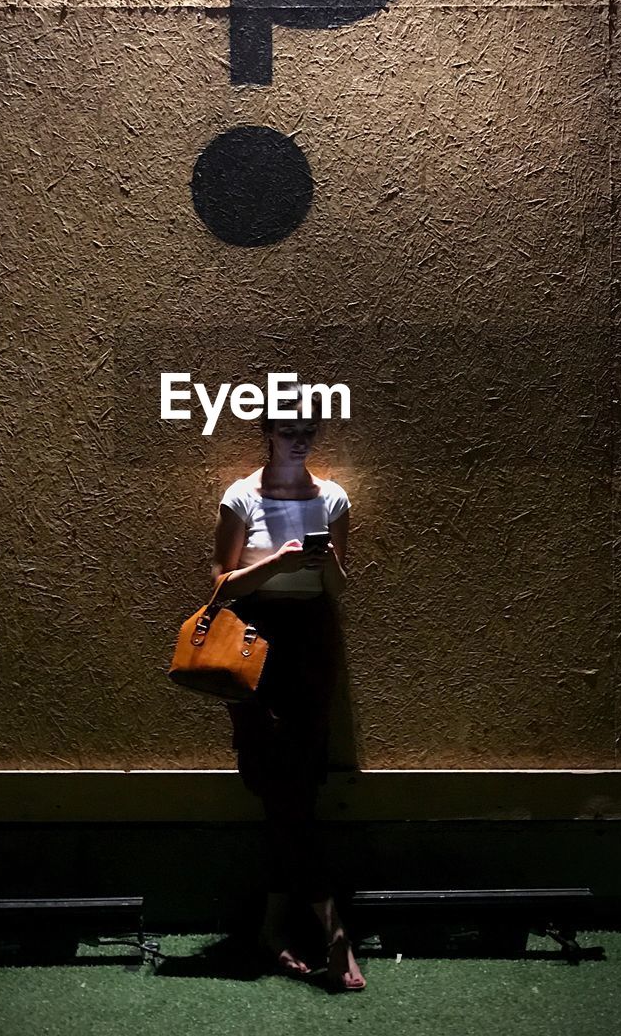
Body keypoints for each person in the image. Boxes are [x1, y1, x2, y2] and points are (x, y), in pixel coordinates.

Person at [211, 385, 366, 991]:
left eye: (310, 431)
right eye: (291, 429)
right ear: (268, 433)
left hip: (311, 642)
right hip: (253, 640)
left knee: (296, 779)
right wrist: (273, 565)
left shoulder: (332, 498)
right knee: (273, 778)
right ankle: (330, 924)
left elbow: (338, 589)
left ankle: (278, 926)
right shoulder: (240, 496)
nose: (301, 440)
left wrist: (325, 563)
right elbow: (221, 585)